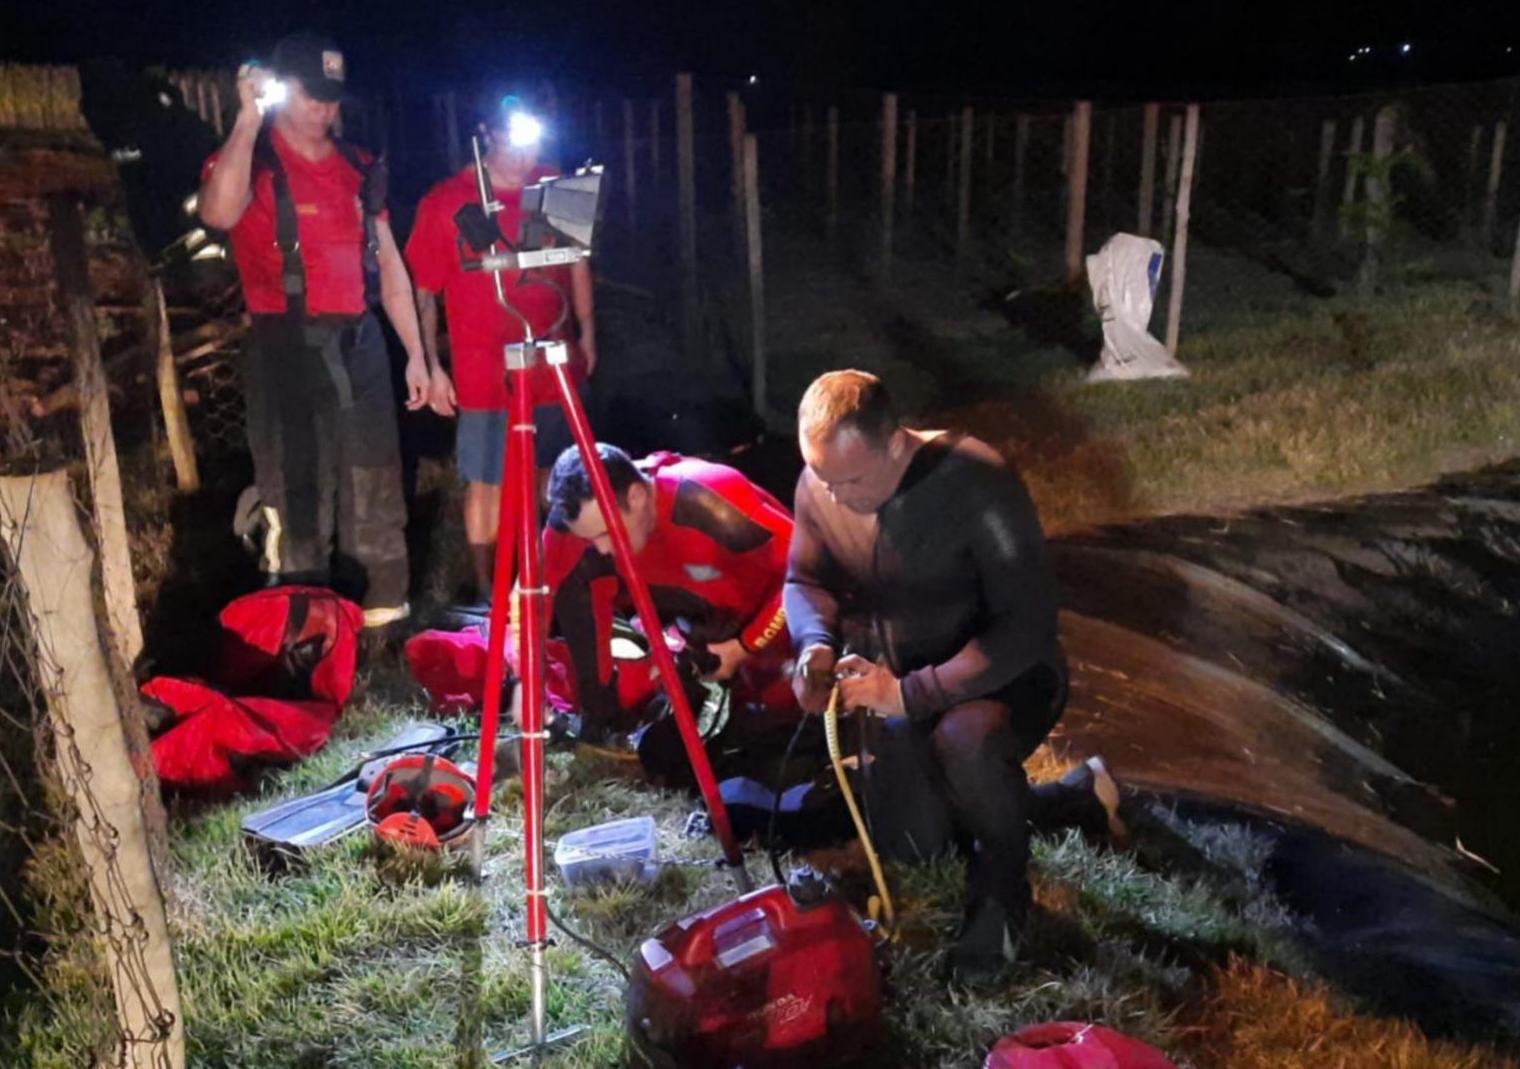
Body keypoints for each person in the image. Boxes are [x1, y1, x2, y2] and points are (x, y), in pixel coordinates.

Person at [784, 369, 1071, 982]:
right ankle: (1073, 801)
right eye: (822, 479)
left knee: (964, 745)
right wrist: (814, 647)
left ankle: (1002, 891)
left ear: (895, 443)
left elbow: (1027, 626)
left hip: (1001, 682)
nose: (834, 496)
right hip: (901, 689)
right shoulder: (826, 481)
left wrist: (913, 693)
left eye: (850, 481)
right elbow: (804, 580)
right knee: (917, 848)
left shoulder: (975, 480)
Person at [198, 31, 443, 627]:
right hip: (284, 345)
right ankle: (302, 630)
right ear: (285, 92)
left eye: (333, 97)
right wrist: (246, 121)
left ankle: (380, 620)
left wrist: (417, 356)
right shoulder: (250, 159)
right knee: (296, 489)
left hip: (358, 343)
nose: (325, 110)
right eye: (313, 96)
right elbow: (217, 213)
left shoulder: (360, 168)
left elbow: (387, 264)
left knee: (375, 479)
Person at [405, 95, 596, 608]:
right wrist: (431, 364)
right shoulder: (448, 201)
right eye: (512, 138)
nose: (523, 152)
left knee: (550, 472)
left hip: (551, 361)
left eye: (532, 139)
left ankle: (548, 580)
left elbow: (577, 262)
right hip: (483, 369)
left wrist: (586, 333)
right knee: (487, 479)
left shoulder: (556, 185)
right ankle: (490, 590)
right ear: (487, 132)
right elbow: (424, 287)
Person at [541, 444, 797, 755]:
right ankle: (605, 716)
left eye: (607, 532)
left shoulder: (707, 500)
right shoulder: (572, 529)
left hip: (775, 618)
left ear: (636, 496)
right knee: (573, 567)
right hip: (695, 616)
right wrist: (524, 680)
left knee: (774, 734)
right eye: (590, 537)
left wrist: (745, 645)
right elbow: (529, 603)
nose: (603, 548)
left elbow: (812, 573)